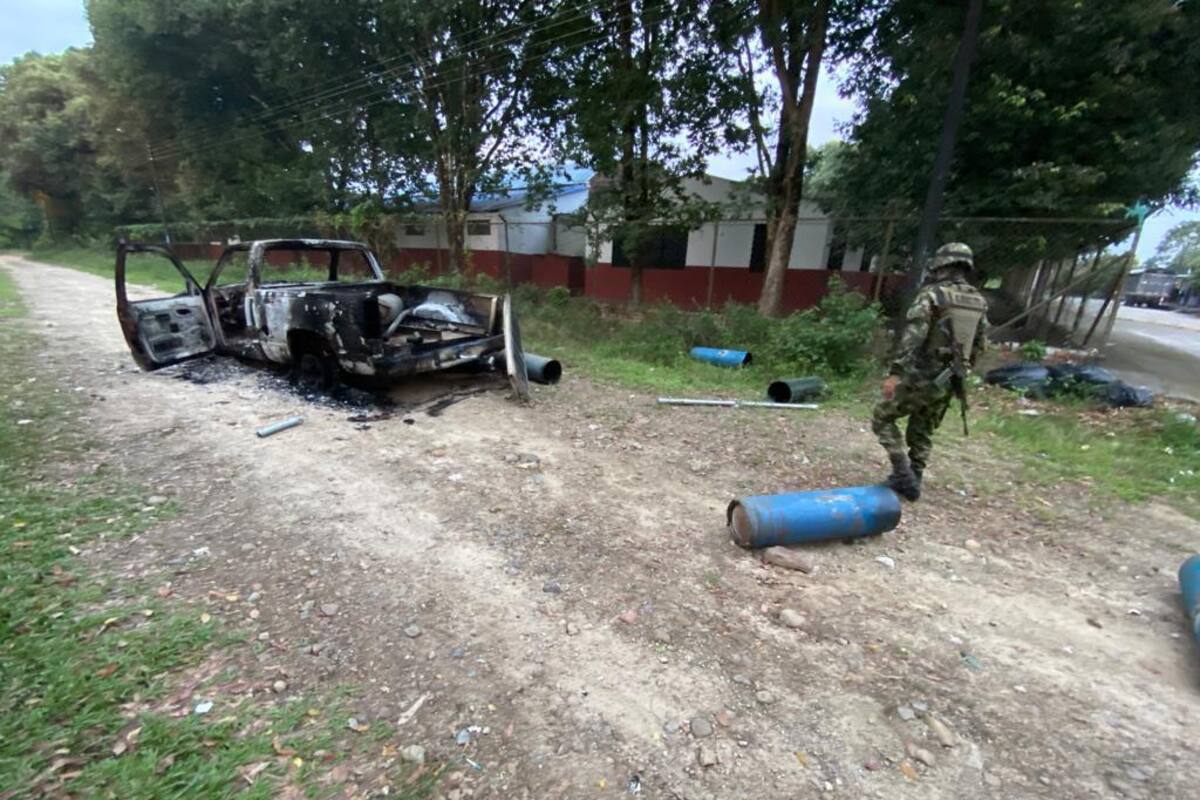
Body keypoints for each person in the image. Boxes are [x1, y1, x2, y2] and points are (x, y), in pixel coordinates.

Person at [872, 242, 988, 501]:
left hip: (923, 374)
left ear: (941, 264)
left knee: (881, 417)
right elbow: (980, 345)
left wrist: (895, 372)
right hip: (951, 377)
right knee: (923, 427)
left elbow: (912, 337)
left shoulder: (933, 296)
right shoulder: (978, 301)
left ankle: (903, 474)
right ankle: (915, 477)